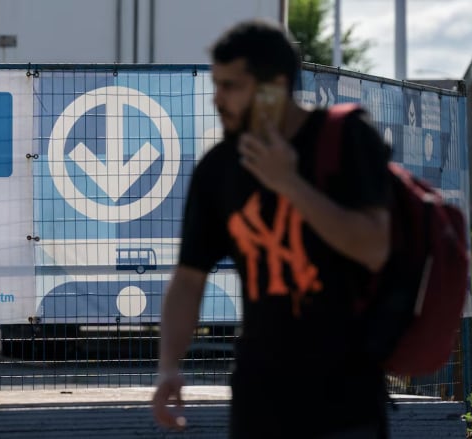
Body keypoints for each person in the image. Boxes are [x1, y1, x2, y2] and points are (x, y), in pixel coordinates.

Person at [151, 20, 392, 438]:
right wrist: (169, 366)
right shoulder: (219, 168)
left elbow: (374, 246)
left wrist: (289, 184)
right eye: (217, 84)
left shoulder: (347, 139)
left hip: (346, 401)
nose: (218, 99)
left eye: (232, 86)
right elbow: (189, 278)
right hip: (259, 402)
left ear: (273, 88)